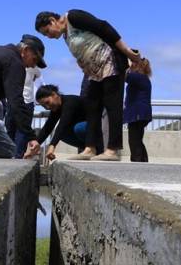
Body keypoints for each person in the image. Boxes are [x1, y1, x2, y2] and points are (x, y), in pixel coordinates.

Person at [35, 10, 141, 161]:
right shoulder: (66, 35)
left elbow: (103, 27)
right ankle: (89, 148)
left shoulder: (73, 17)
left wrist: (127, 51)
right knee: (92, 107)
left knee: (112, 105)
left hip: (110, 63)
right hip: (94, 73)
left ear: (53, 21)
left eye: (47, 32)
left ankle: (112, 150)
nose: (49, 37)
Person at [35, 84, 97, 161]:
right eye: (44, 106)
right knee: (63, 135)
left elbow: (62, 124)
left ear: (54, 95)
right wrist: (36, 144)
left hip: (98, 129)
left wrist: (52, 146)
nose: (47, 107)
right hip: (89, 133)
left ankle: (94, 148)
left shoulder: (70, 102)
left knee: (78, 128)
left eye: (47, 102)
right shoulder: (56, 108)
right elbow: (48, 127)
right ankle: (90, 149)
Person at [9, 65, 42, 158]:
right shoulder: (33, 66)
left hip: (13, 100)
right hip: (27, 102)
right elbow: (37, 75)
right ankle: (18, 156)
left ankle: (10, 154)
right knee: (22, 131)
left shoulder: (13, 64)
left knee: (11, 128)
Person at [124, 57, 153, 162]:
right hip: (142, 113)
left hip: (137, 113)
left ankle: (137, 161)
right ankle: (143, 160)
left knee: (134, 139)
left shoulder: (138, 77)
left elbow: (126, 77)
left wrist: (127, 64)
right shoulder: (144, 78)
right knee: (138, 139)